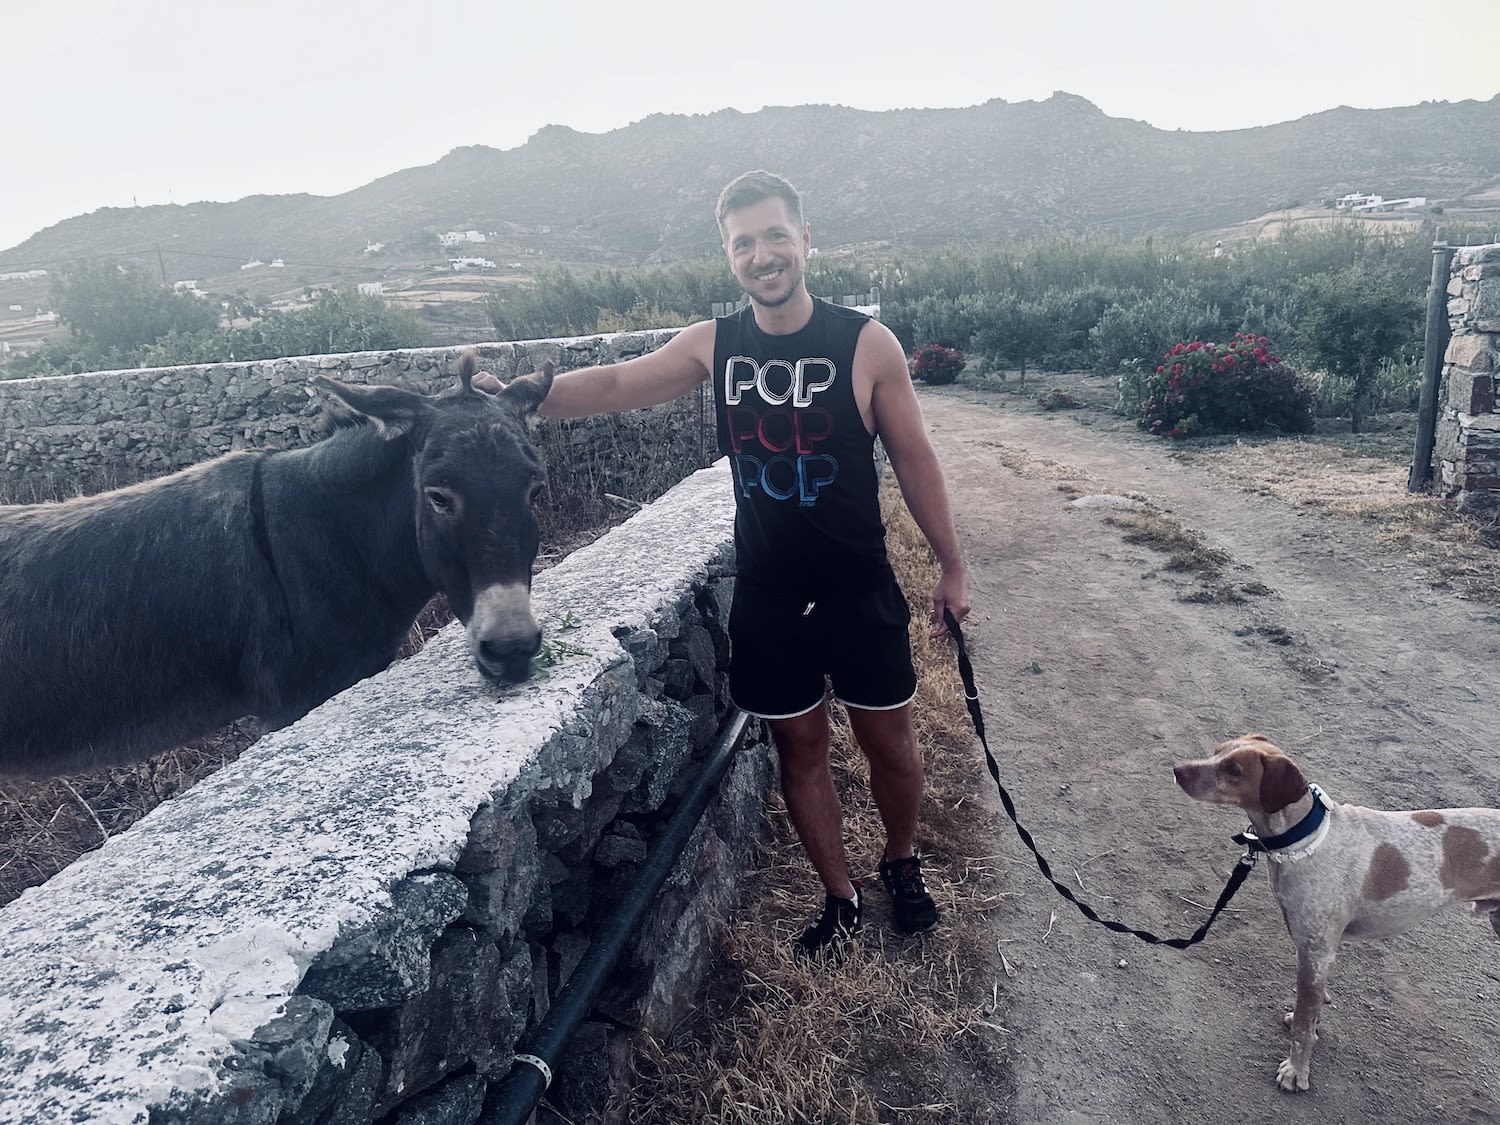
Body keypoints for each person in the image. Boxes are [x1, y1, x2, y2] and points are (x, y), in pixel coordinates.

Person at [487, 170, 970, 961]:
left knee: (891, 745)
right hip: (771, 598)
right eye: (743, 243)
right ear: (729, 256)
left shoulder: (865, 344)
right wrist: (519, 398)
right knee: (800, 751)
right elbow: (615, 382)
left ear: (805, 239)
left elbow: (916, 461)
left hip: (859, 591)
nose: (762, 255)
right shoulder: (715, 346)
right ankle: (840, 897)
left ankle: (901, 858)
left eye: (775, 235)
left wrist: (952, 566)